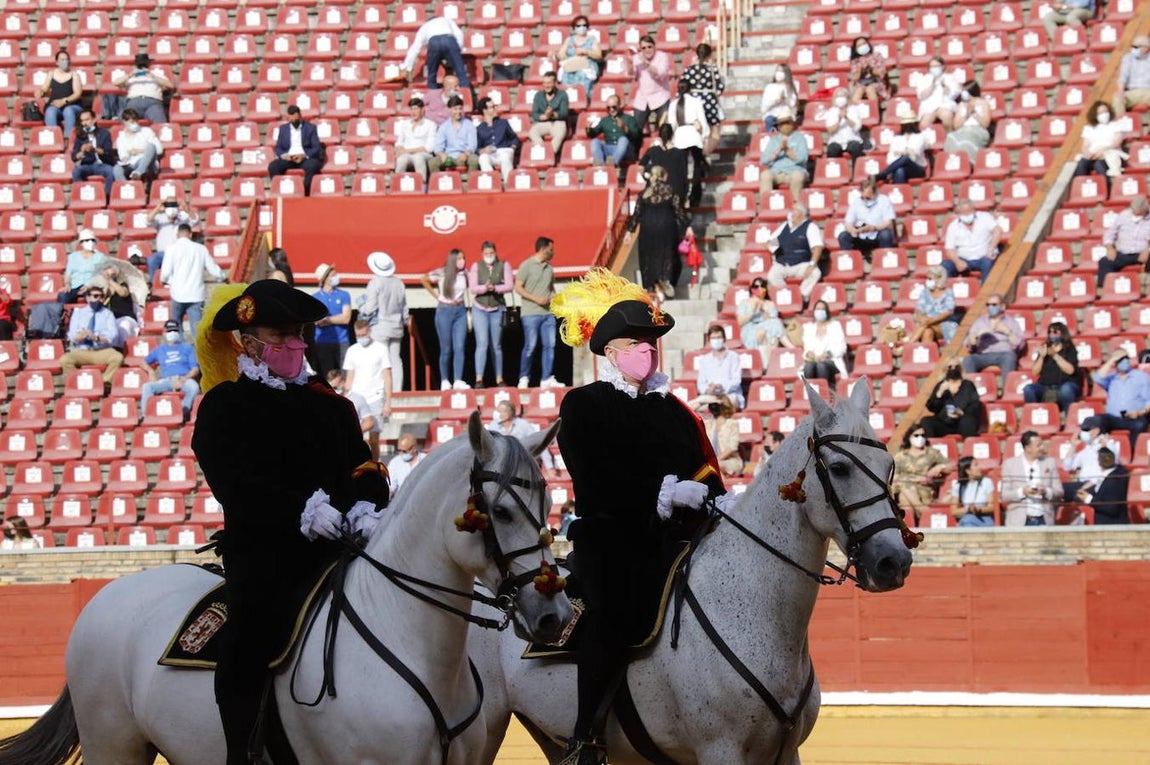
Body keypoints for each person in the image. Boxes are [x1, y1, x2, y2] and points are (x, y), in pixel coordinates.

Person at [192, 279, 390, 765]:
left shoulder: (331, 405)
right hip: (267, 549)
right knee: (250, 629)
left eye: (297, 334)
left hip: (342, 546)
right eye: (278, 336)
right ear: (248, 341)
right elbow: (235, 483)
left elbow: (363, 466)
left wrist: (366, 506)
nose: (293, 345)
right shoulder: (225, 406)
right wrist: (300, 510)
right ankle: (243, 749)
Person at [548, 270, 725, 765]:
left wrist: (717, 498)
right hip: (613, 536)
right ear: (610, 351)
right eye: (636, 342)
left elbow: (703, 470)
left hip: (680, 539)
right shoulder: (584, 404)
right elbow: (595, 477)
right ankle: (586, 736)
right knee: (613, 606)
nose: (647, 350)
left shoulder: (673, 410)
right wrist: (664, 492)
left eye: (651, 342)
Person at [624, 165, 689, 300]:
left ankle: (655, 288)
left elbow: (636, 214)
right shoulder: (671, 191)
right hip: (666, 227)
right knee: (667, 256)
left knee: (649, 258)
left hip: (648, 228)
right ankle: (665, 279)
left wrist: (629, 231)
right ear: (664, 176)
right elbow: (679, 212)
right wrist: (687, 227)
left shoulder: (644, 193)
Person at [160, 223, 224, 340]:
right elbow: (213, 269)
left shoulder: (171, 249)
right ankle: (197, 357)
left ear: (177, 234)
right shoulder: (200, 249)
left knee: (176, 331)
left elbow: (164, 274)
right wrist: (222, 276)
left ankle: (180, 354)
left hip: (177, 294)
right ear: (190, 234)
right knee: (197, 334)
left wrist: (165, 281)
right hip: (196, 295)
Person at [343, 319, 393, 461]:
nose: (361, 338)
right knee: (356, 437)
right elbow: (349, 377)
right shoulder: (352, 351)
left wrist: (388, 402)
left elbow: (387, 376)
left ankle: (375, 465)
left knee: (374, 439)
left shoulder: (381, 349)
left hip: (376, 397)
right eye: (358, 335)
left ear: (369, 331)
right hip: (357, 397)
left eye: (363, 334)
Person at [422, 249, 470, 390]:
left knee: (459, 346)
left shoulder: (464, 273)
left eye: (464, 258)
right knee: (446, 348)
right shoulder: (442, 272)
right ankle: (444, 379)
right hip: (444, 310)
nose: (463, 261)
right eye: (459, 258)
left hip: (460, 310)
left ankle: (458, 379)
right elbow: (424, 279)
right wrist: (436, 296)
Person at [515, 237, 560, 389]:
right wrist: (536, 299)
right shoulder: (526, 265)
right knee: (530, 345)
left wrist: (555, 297)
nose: (552, 252)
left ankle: (546, 378)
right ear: (543, 249)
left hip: (547, 314)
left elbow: (551, 288)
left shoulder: (549, 268)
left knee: (550, 345)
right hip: (530, 313)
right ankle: (523, 377)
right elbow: (518, 287)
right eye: (551, 249)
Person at [60, 285, 123, 392]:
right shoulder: (78, 314)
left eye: (101, 296)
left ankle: (105, 382)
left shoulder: (108, 314)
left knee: (117, 357)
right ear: (88, 298)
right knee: (65, 360)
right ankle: (77, 383)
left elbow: (113, 336)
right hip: (82, 350)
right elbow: (71, 335)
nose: (99, 299)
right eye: (95, 296)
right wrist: (81, 336)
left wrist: (96, 337)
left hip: (101, 350)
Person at [469, 240, 514, 388]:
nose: (489, 256)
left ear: (496, 253)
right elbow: (473, 288)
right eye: (486, 253)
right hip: (480, 308)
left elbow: (509, 285)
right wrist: (485, 288)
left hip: (497, 308)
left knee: (496, 345)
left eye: (492, 253)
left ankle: (499, 378)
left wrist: (495, 288)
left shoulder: (504, 265)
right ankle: (479, 378)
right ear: (482, 254)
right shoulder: (476, 266)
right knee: (482, 344)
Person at [361, 251, 408, 392]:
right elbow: (404, 306)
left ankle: (382, 389)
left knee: (380, 358)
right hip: (397, 325)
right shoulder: (399, 283)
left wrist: (362, 308)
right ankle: (397, 389)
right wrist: (404, 320)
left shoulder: (375, 283)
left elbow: (370, 307)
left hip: (380, 326)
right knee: (395, 359)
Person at [892, 424, 953, 525]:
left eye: (923, 435)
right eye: (916, 435)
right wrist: (916, 478)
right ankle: (923, 511)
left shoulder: (932, 453)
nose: (920, 438)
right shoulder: (900, 456)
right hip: (905, 487)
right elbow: (894, 477)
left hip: (925, 490)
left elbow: (951, 466)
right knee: (904, 487)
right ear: (909, 437)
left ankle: (912, 528)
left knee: (904, 498)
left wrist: (940, 467)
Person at [142, 319, 201, 421]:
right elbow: (143, 362)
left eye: (174, 330)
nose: (172, 333)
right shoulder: (160, 349)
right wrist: (150, 371)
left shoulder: (187, 348)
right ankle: (146, 415)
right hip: (166, 380)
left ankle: (183, 411)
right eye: (169, 331)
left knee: (194, 387)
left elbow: (195, 369)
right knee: (147, 387)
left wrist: (183, 379)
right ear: (164, 333)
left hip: (184, 379)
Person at [1000, 431, 1063, 526]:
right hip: (1019, 522)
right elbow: (1004, 495)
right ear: (1028, 448)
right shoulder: (1010, 465)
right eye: (1038, 445)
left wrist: (1046, 491)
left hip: (1044, 519)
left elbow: (1059, 491)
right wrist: (1022, 492)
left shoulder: (1050, 463)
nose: (1042, 448)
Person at [767, 203, 824, 305]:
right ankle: (787, 296)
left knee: (815, 273)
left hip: (801, 264)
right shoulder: (785, 225)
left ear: (801, 214)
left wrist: (812, 265)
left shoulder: (810, 227)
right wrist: (771, 246)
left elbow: (817, 247)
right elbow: (772, 240)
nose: (791, 212)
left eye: (794, 210)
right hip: (783, 263)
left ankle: (800, 297)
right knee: (772, 275)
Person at [1092, 350, 1150, 450]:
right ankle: (1103, 451)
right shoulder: (1111, 378)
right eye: (1121, 359)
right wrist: (1112, 359)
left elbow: (1148, 401)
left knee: (1140, 424)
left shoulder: (1142, 377)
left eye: (1126, 358)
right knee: (1099, 420)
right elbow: (1098, 378)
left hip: (1134, 417)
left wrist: (1139, 412)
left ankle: (1132, 452)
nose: (1125, 361)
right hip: (1114, 418)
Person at [941, 199, 1005, 285]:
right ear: (959, 213)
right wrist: (957, 261)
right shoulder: (953, 226)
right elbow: (949, 249)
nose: (967, 214)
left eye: (969, 211)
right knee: (945, 266)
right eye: (964, 212)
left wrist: (991, 249)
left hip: (984, 257)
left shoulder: (985, 217)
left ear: (974, 210)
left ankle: (985, 292)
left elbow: (998, 230)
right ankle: (946, 293)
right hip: (964, 259)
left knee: (988, 263)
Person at [663, 88, 708, 208]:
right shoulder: (696, 101)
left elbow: (671, 123)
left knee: (681, 170)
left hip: (680, 136)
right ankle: (695, 196)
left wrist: (670, 140)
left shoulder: (674, 104)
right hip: (694, 134)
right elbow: (702, 119)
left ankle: (681, 197)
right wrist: (704, 135)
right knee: (697, 167)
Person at [400, 15, 470, 90]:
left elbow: (415, 48)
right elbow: (459, 34)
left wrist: (407, 67)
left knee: (432, 74)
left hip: (434, 42)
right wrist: (458, 50)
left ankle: (432, 93)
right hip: (449, 40)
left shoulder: (424, 26)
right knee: (461, 72)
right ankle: (465, 95)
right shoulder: (446, 19)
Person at [1023, 321, 1081, 413]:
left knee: (1066, 390)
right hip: (1046, 386)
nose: (1052, 335)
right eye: (1050, 332)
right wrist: (1041, 357)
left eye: (1055, 332)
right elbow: (1035, 372)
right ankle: (1032, 417)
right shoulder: (1045, 349)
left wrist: (1055, 355)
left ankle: (1069, 418)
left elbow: (1070, 370)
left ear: (1062, 333)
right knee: (1028, 389)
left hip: (1066, 384)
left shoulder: (1070, 349)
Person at [268, 105, 324, 196]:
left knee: (313, 166)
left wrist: (304, 155)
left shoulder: (310, 128)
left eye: (296, 119)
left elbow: (316, 147)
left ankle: (305, 192)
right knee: (273, 166)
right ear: (288, 117)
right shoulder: (283, 129)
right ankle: (280, 192)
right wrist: (285, 155)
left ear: (300, 116)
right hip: (289, 158)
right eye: (292, 119)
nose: (294, 121)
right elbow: (278, 148)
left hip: (304, 158)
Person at [680, 43, 725, 155]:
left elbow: (682, 86)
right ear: (710, 55)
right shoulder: (712, 69)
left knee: (697, 130)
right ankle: (704, 154)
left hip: (692, 102)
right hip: (710, 102)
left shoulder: (688, 70)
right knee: (714, 132)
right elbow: (719, 88)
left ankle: (697, 154)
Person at [962, 294, 1024, 375]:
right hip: (983, 354)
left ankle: (1007, 387)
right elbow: (968, 343)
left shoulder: (1011, 322)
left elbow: (1020, 344)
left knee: (1010, 357)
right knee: (968, 360)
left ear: (1002, 306)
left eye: (994, 305)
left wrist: (1008, 332)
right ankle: (970, 386)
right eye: (988, 305)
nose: (990, 307)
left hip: (1003, 354)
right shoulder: (980, 321)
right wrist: (974, 337)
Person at [1097, 195, 1150, 288]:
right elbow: (1110, 233)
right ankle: (1106, 289)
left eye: (1139, 214)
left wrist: (1148, 250)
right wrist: (1110, 247)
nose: (1136, 216)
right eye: (1135, 213)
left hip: (1143, 253)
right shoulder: (1123, 215)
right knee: (1105, 262)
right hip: (1123, 253)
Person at [1063, 415, 1121, 500]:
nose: (1082, 432)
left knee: (1063, 491)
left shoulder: (1108, 445)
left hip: (1099, 485)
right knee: (1057, 490)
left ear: (1096, 431)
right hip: (1083, 484)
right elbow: (1068, 466)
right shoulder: (1086, 448)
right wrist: (1073, 446)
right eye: (1082, 430)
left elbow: (1110, 469)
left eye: (1086, 430)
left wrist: (1091, 483)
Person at [921, 358, 982, 438]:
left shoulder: (968, 385)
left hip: (962, 422)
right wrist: (940, 393)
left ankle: (969, 447)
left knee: (968, 421)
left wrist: (961, 412)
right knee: (926, 421)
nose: (953, 369)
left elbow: (975, 405)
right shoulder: (941, 385)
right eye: (950, 367)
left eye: (956, 367)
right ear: (945, 369)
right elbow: (932, 408)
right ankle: (932, 448)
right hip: (944, 423)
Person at [837, 177, 897, 259]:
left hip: (877, 234)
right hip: (861, 235)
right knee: (843, 236)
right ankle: (852, 262)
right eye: (863, 197)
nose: (865, 200)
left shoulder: (884, 200)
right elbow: (848, 222)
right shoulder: (856, 202)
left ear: (875, 193)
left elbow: (889, 222)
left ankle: (884, 260)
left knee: (886, 235)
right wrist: (853, 230)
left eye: (868, 198)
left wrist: (874, 228)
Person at [311, 263, 352, 379]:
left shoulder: (344, 295)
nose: (336, 277)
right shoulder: (315, 297)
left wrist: (327, 320)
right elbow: (316, 320)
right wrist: (336, 319)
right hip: (322, 342)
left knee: (345, 375)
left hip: (342, 341)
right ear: (324, 278)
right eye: (333, 275)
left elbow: (346, 318)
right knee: (326, 376)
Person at [757, 108, 808, 200]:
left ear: (792, 123)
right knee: (765, 175)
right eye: (782, 123)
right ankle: (766, 204)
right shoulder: (774, 140)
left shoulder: (800, 138)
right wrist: (778, 151)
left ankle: (795, 204)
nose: (785, 126)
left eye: (787, 122)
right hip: (777, 172)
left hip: (794, 170)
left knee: (798, 176)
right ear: (779, 126)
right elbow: (763, 161)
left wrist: (788, 151)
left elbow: (803, 159)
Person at [327, 369, 379, 458]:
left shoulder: (357, 398)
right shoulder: (328, 400)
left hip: (353, 444)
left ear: (343, 382)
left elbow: (369, 422)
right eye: (331, 387)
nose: (333, 390)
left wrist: (352, 432)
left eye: (335, 387)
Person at [628, 35, 673, 134]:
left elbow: (661, 73)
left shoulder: (662, 56)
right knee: (635, 131)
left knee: (665, 129)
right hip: (643, 97)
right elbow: (632, 75)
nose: (647, 50)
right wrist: (630, 63)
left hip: (660, 96)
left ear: (654, 46)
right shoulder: (636, 57)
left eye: (649, 46)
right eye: (643, 48)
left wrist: (646, 64)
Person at [147, 200, 200, 283]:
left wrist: (187, 209)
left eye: (173, 204)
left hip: (180, 253)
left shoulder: (183, 217)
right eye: (168, 204)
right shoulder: (160, 218)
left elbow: (195, 220)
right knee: (152, 260)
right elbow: (147, 221)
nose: (171, 207)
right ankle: (155, 285)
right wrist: (157, 209)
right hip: (163, 253)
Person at [1073, 101, 1126, 183]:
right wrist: (1087, 153)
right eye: (1101, 112)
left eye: (1106, 111)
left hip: (1108, 153)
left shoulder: (1115, 125)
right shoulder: (1088, 128)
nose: (1104, 114)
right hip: (1093, 154)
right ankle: (1079, 187)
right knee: (1082, 163)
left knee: (1099, 165)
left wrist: (1103, 150)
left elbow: (1117, 142)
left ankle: (1107, 189)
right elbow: (1085, 145)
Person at [111, 53, 172, 124]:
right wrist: (130, 75)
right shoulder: (131, 76)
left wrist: (153, 76)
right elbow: (115, 82)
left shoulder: (156, 74)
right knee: (126, 121)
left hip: (153, 103)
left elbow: (170, 85)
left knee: (160, 122)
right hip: (134, 103)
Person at [695, 324, 745, 410]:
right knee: (696, 404)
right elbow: (701, 383)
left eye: (719, 337)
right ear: (709, 340)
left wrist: (721, 387)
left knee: (726, 402)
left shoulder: (734, 357)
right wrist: (708, 390)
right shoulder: (704, 360)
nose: (716, 340)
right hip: (710, 396)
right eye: (713, 338)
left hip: (729, 395)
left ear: (724, 339)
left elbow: (736, 380)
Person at [1075, 447, 1130, 524]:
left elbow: (1111, 508)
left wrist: (1088, 499)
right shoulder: (1109, 476)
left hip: (1113, 526)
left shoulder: (1116, 478)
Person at [737, 277, 790, 355]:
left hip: (768, 328)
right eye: (756, 287)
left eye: (762, 287)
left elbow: (772, 319)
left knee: (775, 327)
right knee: (761, 333)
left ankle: (790, 348)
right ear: (752, 288)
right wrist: (752, 311)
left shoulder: (770, 303)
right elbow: (740, 322)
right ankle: (765, 360)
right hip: (750, 329)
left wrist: (762, 310)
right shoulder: (744, 303)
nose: (759, 289)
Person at [550, 15, 602, 94]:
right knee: (566, 74)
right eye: (578, 26)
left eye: (584, 25)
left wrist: (586, 51)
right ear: (574, 28)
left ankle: (583, 97)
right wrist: (554, 54)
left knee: (582, 74)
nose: (582, 27)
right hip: (572, 64)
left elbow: (599, 55)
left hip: (587, 64)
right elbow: (561, 55)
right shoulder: (569, 40)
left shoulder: (592, 39)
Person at [70, 109, 117, 197]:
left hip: (102, 164)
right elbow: (74, 157)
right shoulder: (80, 136)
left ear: (94, 119)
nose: (84, 123)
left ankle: (107, 197)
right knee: (76, 171)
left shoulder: (104, 133)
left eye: (87, 120)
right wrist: (82, 151)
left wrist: (95, 149)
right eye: (82, 121)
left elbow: (108, 151)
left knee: (111, 171)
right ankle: (82, 196)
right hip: (87, 164)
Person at [37, 50, 82, 138]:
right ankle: (54, 139)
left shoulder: (74, 75)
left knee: (68, 111)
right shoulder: (51, 74)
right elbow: (44, 88)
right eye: (62, 60)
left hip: (72, 105)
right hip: (55, 106)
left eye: (66, 59)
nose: (65, 62)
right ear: (57, 62)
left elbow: (78, 93)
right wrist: (40, 92)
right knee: (50, 111)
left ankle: (68, 139)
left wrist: (64, 101)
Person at [801, 300, 847, 386]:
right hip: (814, 360)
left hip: (831, 360)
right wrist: (809, 353)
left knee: (821, 366)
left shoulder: (835, 326)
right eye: (818, 309)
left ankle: (825, 393)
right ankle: (810, 393)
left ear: (827, 312)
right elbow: (806, 349)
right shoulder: (808, 328)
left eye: (823, 309)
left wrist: (828, 354)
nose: (820, 311)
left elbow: (842, 348)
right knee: (808, 367)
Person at [876, 112, 931, 184]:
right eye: (906, 124)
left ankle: (884, 173)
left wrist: (901, 153)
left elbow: (916, 152)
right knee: (900, 170)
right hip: (900, 168)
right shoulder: (896, 138)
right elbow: (891, 156)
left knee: (905, 158)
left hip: (916, 168)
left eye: (910, 124)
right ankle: (900, 193)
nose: (908, 126)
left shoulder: (921, 136)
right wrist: (905, 152)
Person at [943, 81, 992, 161]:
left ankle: (969, 162)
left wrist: (975, 114)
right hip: (962, 129)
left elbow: (986, 124)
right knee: (950, 136)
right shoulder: (961, 105)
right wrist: (967, 114)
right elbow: (956, 126)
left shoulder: (983, 104)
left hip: (978, 129)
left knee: (968, 136)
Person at [639, 123, 688, 202]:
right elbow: (684, 175)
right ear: (672, 135)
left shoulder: (653, 150)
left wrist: (647, 177)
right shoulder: (680, 153)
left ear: (659, 135)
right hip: (675, 192)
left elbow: (641, 167)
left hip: (656, 190)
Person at [430, 95, 479, 173]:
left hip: (464, 155)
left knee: (474, 159)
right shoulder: (444, 126)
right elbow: (438, 146)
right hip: (449, 156)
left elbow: (472, 145)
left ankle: (471, 182)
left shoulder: (469, 124)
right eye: (455, 109)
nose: (458, 112)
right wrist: (442, 154)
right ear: (449, 110)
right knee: (432, 162)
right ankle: (439, 183)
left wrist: (466, 154)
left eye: (460, 109)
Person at [475, 97, 519, 183]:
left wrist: (513, 147)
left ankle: (509, 183)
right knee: (483, 158)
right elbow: (477, 148)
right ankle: (493, 183)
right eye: (492, 107)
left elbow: (514, 138)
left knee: (505, 157)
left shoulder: (503, 123)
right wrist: (483, 150)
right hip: (491, 154)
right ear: (485, 111)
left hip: (504, 150)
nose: (495, 109)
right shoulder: (479, 129)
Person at [393, 95, 437, 182]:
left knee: (418, 158)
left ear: (422, 110)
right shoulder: (405, 124)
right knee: (401, 159)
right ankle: (396, 184)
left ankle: (422, 183)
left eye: (416, 109)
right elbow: (399, 142)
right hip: (407, 154)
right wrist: (400, 149)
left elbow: (429, 148)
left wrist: (407, 150)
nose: (413, 112)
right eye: (412, 109)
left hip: (423, 154)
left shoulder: (430, 125)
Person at [587, 95, 638, 168]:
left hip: (625, 150)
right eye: (608, 108)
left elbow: (636, 136)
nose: (611, 110)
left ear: (619, 105)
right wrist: (589, 129)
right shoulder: (605, 120)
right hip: (609, 149)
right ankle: (600, 164)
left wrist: (624, 128)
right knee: (595, 141)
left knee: (623, 139)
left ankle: (613, 162)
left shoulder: (629, 119)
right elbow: (593, 134)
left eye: (614, 107)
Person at [909, 267, 957, 345]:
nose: (927, 281)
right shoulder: (924, 292)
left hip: (945, 325)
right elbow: (919, 310)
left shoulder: (948, 292)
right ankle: (928, 355)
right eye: (927, 278)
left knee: (925, 325)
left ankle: (906, 347)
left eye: (930, 278)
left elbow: (948, 312)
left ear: (939, 279)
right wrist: (922, 318)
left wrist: (931, 320)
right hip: (927, 324)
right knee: (927, 332)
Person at [114, 108, 163, 181]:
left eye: (136, 121)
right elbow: (123, 156)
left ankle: (138, 172)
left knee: (151, 146)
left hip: (147, 163)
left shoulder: (146, 131)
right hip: (131, 163)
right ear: (125, 122)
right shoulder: (121, 138)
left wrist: (140, 151)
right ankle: (126, 187)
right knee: (116, 169)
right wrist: (125, 158)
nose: (135, 124)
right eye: (132, 122)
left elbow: (159, 149)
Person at [60, 228, 106, 304]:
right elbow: (68, 273)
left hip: (92, 286)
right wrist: (67, 284)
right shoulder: (73, 256)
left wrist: (90, 286)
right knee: (62, 296)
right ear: (81, 243)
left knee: (93, 297)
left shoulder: (100, 257)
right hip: (74, 286)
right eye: (87, 240)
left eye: (92, 240)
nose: (90, 242)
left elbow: (101, 275)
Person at [528, 72, 570, 155]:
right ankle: (543, 151)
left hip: (557, 122)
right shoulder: (538, 95)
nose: (546, 85)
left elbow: (564, 113)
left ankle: (550, 154)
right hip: (543, 122)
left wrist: (552, 114)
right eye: (544, 83)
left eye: (549, 83)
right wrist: (543, 116)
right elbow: (534, 114)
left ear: (555, 83)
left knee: (560, 133)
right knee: (532, 132)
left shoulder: (562, 94)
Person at [915, 57, 961, 131]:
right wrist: (932, 85)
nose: (934, 68)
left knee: (947, 117)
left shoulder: (950, 77)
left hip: (945, 104)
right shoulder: (925, 79)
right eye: (932, 66)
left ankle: (949, 138)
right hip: (929, 106)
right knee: (924, 124)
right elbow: (921, 95)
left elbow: (954, 93)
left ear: (942, 66)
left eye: (936, 66)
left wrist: (943, 85)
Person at [701, 396, 743, 476]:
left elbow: (732, 447)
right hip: (712, 462)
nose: (714, 407)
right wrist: (704, 402)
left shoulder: (732, 424)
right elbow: (689, 412)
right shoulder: (708, 424)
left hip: (730, 461)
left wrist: (715, 460)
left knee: (713, 466)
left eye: (717, 405)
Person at [949, 457, 997, 527]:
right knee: (967, 520)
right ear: (968, 471)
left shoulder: (986, 482)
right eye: (976, 465)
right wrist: (968, 509)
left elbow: (992, 507)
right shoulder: (958, 486)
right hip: (966, 518)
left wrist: (978, 509)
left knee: (966, 521)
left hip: (984, 519)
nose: (979, 467)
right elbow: (954, 511)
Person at [1112, 35, 1150, 117]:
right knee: (1117, 98)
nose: (1133, 49)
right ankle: (1121, 125)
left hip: (1148, 91)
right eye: (1133, 46)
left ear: (1146, 48)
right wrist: (1120, 90)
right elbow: (1123, 76)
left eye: (1136, 47)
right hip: (1131, 92)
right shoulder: (1127, 58)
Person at [847, 36, 890, 108]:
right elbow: (855, 78)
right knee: (859, 90)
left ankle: (874, 113)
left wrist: (870, 69)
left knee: (870, 89)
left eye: (864, 44)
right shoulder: (855, 60)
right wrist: (860, 70)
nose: (862, 46)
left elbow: (881, 73)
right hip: (861, 83)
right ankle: (852, 112)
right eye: (859, 46)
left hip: (875, 82)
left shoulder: (876, 56)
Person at [824, 87, 866, 161]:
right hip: (836, 141)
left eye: (842, 96)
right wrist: (839, 119)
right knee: (832, 150)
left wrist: (846, 118)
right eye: (838, 96)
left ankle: (856, 171)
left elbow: (857, 127)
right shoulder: (832, 111)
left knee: (856, 148)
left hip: (852, 139)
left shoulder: (854, 109)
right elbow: (830, 130)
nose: (840, 98)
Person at [760, 63, 798, 133]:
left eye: (781, 71)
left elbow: (793, 105)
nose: (778, 73)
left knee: (785, 121)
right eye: (777, 71)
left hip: (785, 114)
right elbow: (764, 107)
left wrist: (785, 99)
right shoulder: (769, 87)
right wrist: (775, 102)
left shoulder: (790, 87)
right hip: (771, 114)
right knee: (769, 120)